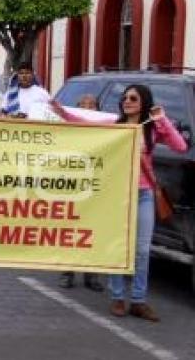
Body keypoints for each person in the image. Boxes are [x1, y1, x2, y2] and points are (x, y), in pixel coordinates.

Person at [50, 84, 187, 321]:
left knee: (142, 251)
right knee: (117, 248)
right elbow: (86, 126)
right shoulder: (115, 125)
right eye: (125, 98)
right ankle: (118, 298)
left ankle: (138, 301)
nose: (127, 101)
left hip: (144, 194)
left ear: (144, 101)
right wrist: (63, 113)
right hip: (117, 195)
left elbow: (180, 146)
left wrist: (162, 119)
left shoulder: (152, 128)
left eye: (133, 98)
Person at [59, 93, 104, 292]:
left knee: (92, 230)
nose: (88, 107)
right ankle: (67, 273)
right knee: (70, 230)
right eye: (83, 104)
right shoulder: (70, 129)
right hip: (73, 185)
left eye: (92, 104)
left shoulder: (106, 128)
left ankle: (91, 275)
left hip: (95, 186)